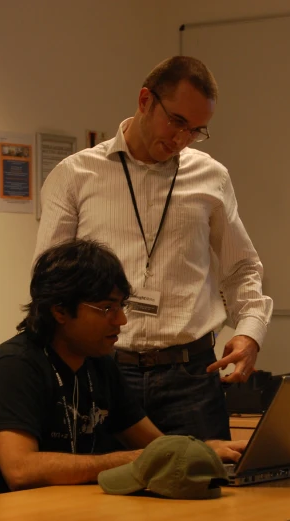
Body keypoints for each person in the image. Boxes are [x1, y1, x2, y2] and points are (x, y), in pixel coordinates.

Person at [34, 56, 273, 441]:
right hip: (102, 369)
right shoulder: (75, 175)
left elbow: (242, 268)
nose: (181, 139)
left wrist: (250, 331)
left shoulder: (211, 176)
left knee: (207, 495)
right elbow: (47, 282)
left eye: (196, 130)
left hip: (191, 375)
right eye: (176, 121)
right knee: (98, 495)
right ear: (146, 100)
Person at [0, 239, 244, 499]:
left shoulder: (100, 363)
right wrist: (135, 459)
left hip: (70, 507)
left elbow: (157, 446)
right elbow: (21, 470)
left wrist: (204, 450)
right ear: (60, 310)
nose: (121, 321)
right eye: (107, 308)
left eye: (121, 306)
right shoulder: (14, 367)